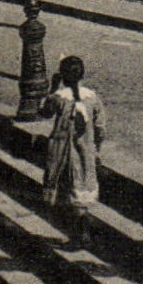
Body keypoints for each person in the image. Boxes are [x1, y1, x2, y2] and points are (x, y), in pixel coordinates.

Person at [42, 55, 106, 246]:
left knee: (65, 192)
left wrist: (53, 87)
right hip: (85, 152)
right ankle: (83, 231)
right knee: (80, 190)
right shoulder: (93, 98)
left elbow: (44, 112)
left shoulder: (59, 98)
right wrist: (96, 150)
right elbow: (100, 129)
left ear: (62, 76)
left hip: (62, 152)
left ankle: (78, 235)